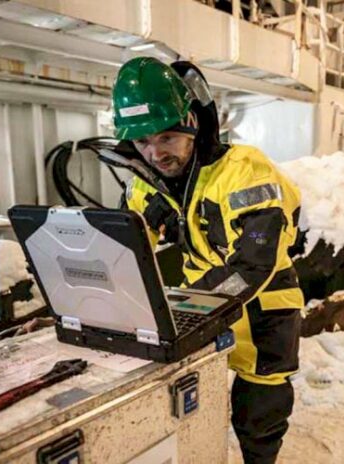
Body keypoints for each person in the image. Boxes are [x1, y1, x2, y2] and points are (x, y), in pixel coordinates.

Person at [111, 57, 303, 464]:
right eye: (142, 142)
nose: (155, 153)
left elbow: (254, 263)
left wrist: (188, 306)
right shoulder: (144, 185)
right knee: (196, 405)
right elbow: (123, 249)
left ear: (192, 125)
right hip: (200, 306)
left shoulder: (245, 172)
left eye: (166, 137)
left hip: (263, 306)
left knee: (259, 413)